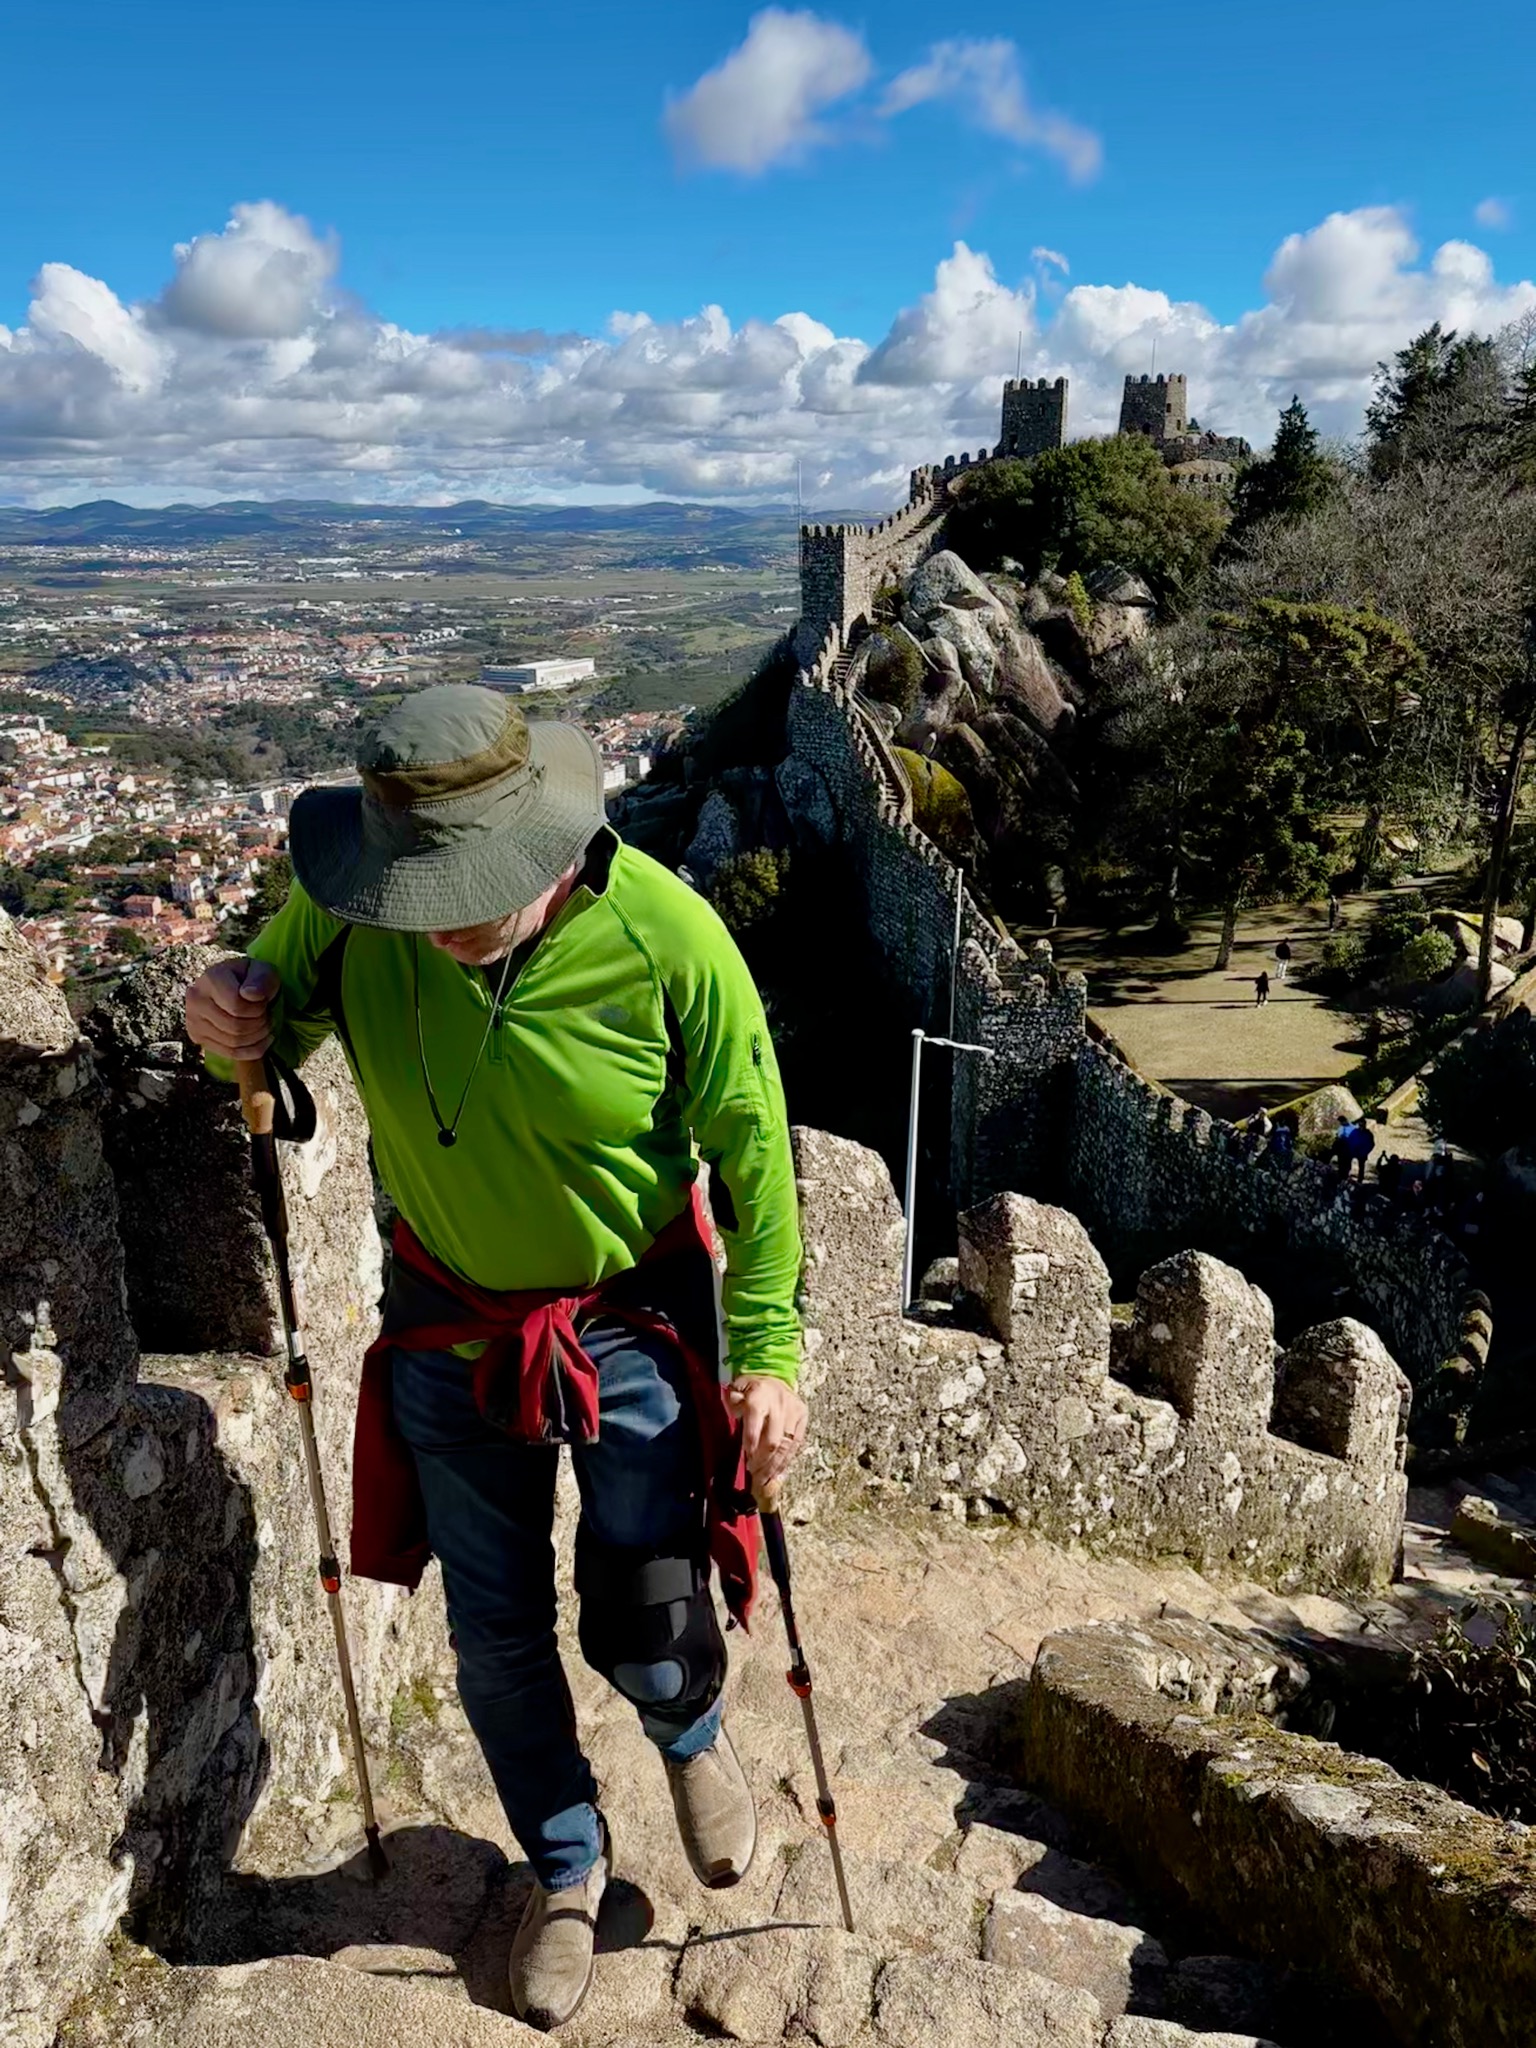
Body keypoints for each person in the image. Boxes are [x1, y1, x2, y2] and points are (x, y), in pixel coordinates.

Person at [184, 686, 806, 2032]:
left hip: (630, 1321)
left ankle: (688, 1732)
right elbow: (261, 1016)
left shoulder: (670, 939)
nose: (441, 921)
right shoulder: (356, 912)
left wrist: (766, 1353)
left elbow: (755, 1156)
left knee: (646, 1592)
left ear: (545, 840)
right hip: (449, 1321)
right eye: (420, 893)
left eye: (467, 890)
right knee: (493, 1634)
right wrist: (223, 1009)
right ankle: (566, 1867)